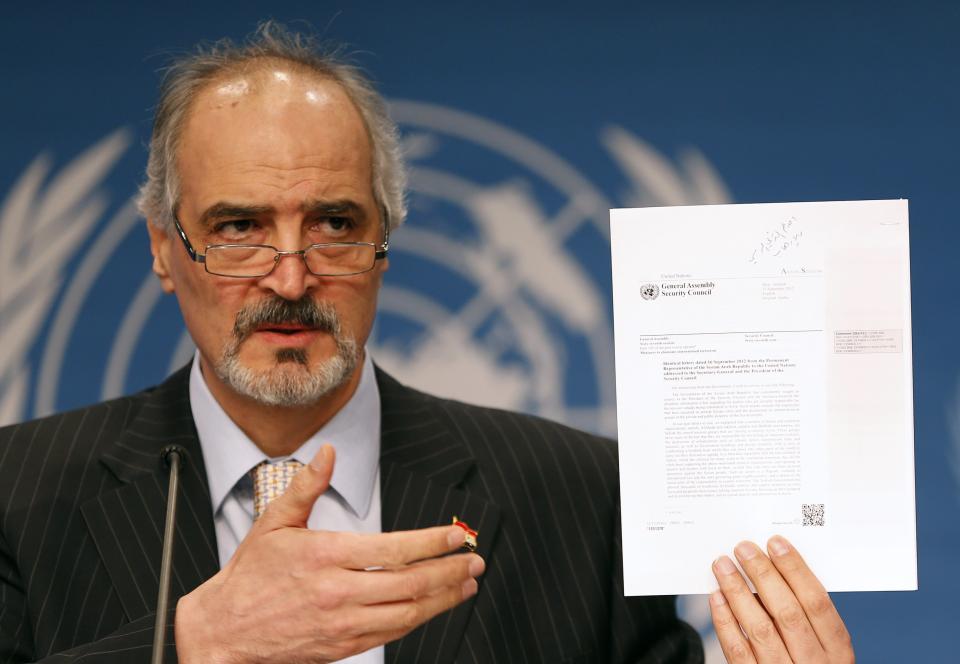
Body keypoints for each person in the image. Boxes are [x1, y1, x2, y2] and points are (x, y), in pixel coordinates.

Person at [0, 23, 854, 664]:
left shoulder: (585, 500)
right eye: (239, 228)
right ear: (161, 246)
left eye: (334, 223)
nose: (291, 279)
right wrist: (190, 644)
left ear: (386, 239)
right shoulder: (16, 493)